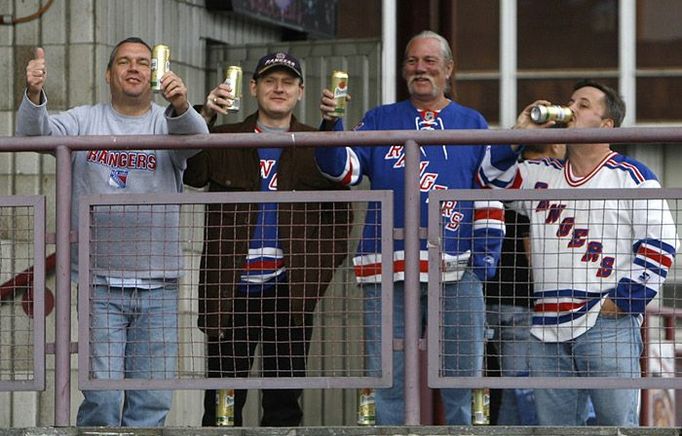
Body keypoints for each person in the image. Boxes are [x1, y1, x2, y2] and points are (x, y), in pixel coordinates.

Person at [315, 30, 514, 425]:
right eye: (411, 61)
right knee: (388, 378)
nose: (419, 69)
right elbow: (342, 171)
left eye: (429, 61)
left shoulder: (471, 121)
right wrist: (330, 125)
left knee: (462, 378)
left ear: (449, 69)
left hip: (456, 269)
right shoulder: (378, 118)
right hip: (387, 268)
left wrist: (483, 260)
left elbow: (494, 187)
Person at [16, 37, 209, 427]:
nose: (134, 68)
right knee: (102, 399)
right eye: (124, 61)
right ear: (109, 73)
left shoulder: (166, 120)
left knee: (151, 402)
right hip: (99, 283)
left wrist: (181, 105)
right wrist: (35, 94)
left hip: (160, 284)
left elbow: (198, 140)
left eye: (142, 62)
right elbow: (33, 134)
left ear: (153, 72)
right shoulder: (85, 119)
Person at [183, 52, 352, 427]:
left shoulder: (318, 142)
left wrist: (312, 276)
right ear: (254, 87)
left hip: (288, 292)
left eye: (288, 82)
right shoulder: (224, 137)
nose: (279, 88)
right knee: (222, 404)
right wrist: (203, 116)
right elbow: (190, 171)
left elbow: (342, 218)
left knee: (283, 403)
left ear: (300, 91)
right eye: (270, 80)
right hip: (231, 291)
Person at [506, 79, 679, 426]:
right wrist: (519, 134)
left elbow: (662, 243)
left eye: (583, 104)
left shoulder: (631, 176)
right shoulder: (540, 174)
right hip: (546, 328)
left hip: (605, 321)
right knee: (556, 432)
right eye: (570, 101)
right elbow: (486, 179)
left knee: (617, 428)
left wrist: (622, 302)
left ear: (606, 125)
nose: (571, 109)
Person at [485, 143, 565, 425]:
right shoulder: (536, 186)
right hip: (519, 301)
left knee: (481, 383)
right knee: (517, 385)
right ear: (556, 147)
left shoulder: (504, 178)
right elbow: (532, 249)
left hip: (481, 295)